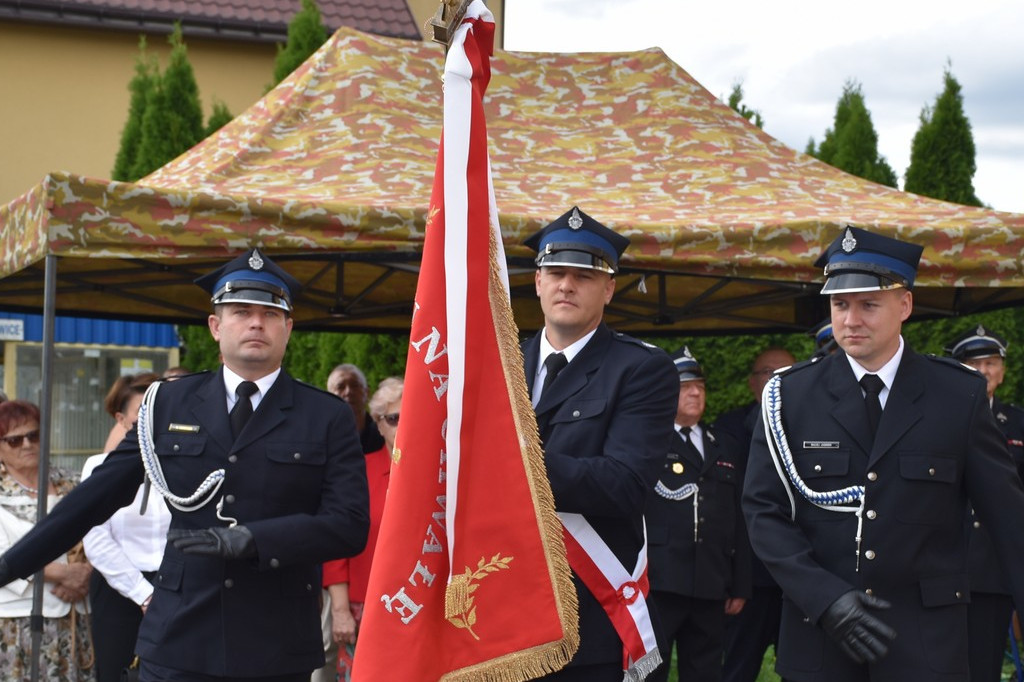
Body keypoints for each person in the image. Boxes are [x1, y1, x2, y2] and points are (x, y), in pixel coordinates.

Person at [0, 247, 369, 682]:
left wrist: (254, 539)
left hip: (276, 637)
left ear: (288, 328)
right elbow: (93, 498)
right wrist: (9, 566)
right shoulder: (166, 403)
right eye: (240, 311)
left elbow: (349, 524)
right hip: (181, 633)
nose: (256, 322)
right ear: (215, 326)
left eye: (270, 314)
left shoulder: (325, 415)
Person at [742, 226, 1024, 681]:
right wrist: (825, 598)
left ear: (905, 305)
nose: (851, 320)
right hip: (821, 639)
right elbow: (763, 513)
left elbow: (1010, 522)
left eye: (868, 304)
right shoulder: (790, 397)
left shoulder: (958, 396)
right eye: (840, 305)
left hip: (926, 645)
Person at [521, 206, 679, 681]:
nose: (566, 284)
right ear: (538, 282)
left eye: (583, 275)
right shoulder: (498, 362)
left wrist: (511, 465)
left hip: (584, 614)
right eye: (556, 272)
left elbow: (624, 483)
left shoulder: (640, 370)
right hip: (500, 609)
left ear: (608, 288)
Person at [647, 347, 750, 682]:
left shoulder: (723, 444)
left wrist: (740, 582)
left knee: (705, 671)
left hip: (710, 581)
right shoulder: (647, 442)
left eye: (700, 387)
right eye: (685, 386)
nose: (695, 392)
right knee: (646, 670)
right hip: (659, 584)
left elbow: (739, 518)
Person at [946, 325, 1024, 682]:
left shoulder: (1019, 423)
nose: (984, 371)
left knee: (984, 667)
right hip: (945, 564)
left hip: (994, 567)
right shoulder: (940, 418)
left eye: (991, 363)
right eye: (974, 363)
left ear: (1003, 371)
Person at [81, 372, 170, 682]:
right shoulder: (98, 467)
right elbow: (96, 540)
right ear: (121, 419)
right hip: (119, 589)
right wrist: (143, 594)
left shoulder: (185, 466)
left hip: (177, 586)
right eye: (141, 414)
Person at [714, 346, 794, 682]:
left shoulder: (821, 423)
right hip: (753, 574)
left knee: (804, 667)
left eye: (786, 374)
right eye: (768, 373)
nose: (776, 381)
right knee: (738, 665)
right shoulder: (730, 428)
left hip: (803, 574)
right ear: (751, 383)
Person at [0, 400, 94, 681]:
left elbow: (103, 534)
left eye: (34, 435)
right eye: (14, 440)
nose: (27, 444)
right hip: (15, 620)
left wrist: (87, 571)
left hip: (76, 615)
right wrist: (64, 574)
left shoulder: (75, 482)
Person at [320, 377, 401, 681]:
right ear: (378, 424)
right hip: (363, 610)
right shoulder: (358, 471)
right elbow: (335, 542)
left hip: (427, 609)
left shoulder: (443, 473)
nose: (403, 426)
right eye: (393, 419)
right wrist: (340, 610)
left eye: (412, 416)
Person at [326, 364, 385, 456]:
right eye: (340, 387)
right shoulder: (322, 438)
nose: (348, 392)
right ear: (328, 397)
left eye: (355, 385)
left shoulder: (384, 433)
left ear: (367, 392)